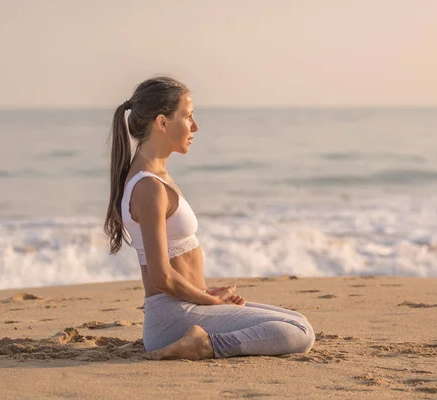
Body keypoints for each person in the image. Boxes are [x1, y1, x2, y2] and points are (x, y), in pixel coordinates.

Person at [104, 75, 315, 360]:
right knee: (299, 333)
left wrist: (204, 294)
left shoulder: (155, 177)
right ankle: (205, 345)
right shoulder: (148, 187)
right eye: (188, 116)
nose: (195, 126)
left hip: (187, 304)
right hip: (172, 317)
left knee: (297, 321)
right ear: (163, 123)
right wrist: (211, 300)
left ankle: (205, 338)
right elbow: (161, 276)